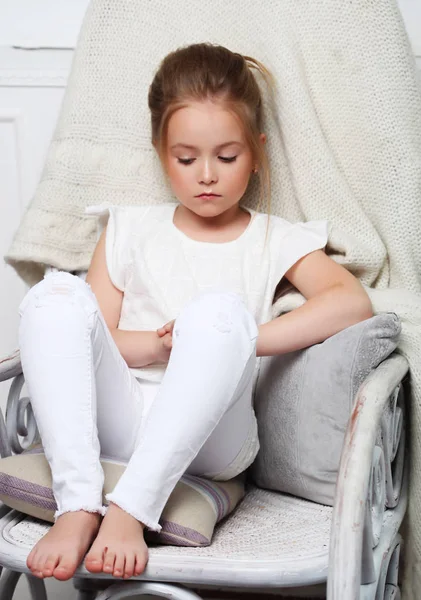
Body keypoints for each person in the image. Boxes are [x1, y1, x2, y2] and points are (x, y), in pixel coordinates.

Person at [18, 43, 373, 582]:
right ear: (161, 151)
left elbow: (350, 301)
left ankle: (130, 509)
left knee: (216, 311)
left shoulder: (273, 238)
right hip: (121, 420)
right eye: (187, 159)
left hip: (211, 440)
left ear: (256, 151)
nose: (207, 175)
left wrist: (239, 339)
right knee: (53, 297)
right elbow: (97, 337)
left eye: (226, 157)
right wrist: (161, 346)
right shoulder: (129, 229)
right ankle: (78, 504)